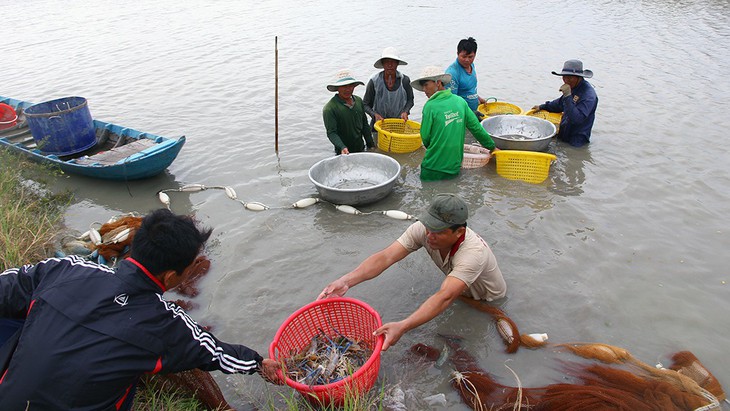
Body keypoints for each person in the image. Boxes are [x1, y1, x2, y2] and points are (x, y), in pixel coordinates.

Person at [0, 209, 282, 410]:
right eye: (190, 267)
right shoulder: (164, 323)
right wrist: (258, 362)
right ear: (171, 277)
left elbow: (9, 285)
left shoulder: (64, 269)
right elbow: (214, 352)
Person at [317, 193, 506, 351]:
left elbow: (445, 297)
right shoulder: (423, 230)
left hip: (487, 299)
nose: (429, 235)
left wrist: (403, 326)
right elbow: (386, 257)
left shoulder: (473, 254)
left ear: (459, 232)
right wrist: (346, 281)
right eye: (429, 227)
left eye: (438, 231)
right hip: (460, 292)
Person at [411, 66, 497, 181]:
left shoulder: (430, 106)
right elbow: (476, 128)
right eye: (423, 86)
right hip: (454, 168)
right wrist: (492, 147)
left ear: (438, 83)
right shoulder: (460, 102)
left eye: (426, 85)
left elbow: (425, 138)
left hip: (432, 168)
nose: (424, 90)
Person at [531, 59, 598, 147]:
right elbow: (560, 104)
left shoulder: (589, 96)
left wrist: (567, 95)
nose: (566, 80)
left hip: (577, 139)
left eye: (570, 77)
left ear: (579, 77)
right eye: (564, 77)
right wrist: (543, 106)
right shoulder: (573, 87)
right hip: (565, 132)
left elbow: (577, 119)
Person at [323, 69, 375, 154]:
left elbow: (365, 125)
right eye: (344, 86)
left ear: (354, 86)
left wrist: (371, 145)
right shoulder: (330, 108)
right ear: (337, 88)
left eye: (350, 86)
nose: (348, 89)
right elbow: (331, 133)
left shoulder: (358, 101)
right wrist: (342, 147)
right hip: (343, 152)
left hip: (360, 148)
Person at [363, 47, 415, 128]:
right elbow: (365, 104)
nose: (390, 65)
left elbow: (410, 100)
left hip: (399, 124)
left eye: (393, 62)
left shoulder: (404, 80)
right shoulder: (374, 81)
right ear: (383, 64)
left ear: (397, 63)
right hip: (379, 125)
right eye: (386, 62)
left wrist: (405, 111)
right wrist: (374, 115)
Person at [446, 37, 487, 120]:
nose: (467, 60)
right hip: (462, 117)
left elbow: (468, 89)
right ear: (457, 53)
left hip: (474, 112)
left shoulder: (471, 65)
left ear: (475, 54)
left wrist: (479, 98)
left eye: (470, 57)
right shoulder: (452, 73)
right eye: (464, 57)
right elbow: (451, 102)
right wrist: (470, 114)